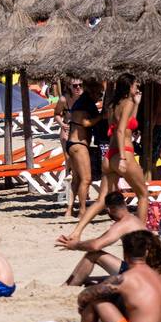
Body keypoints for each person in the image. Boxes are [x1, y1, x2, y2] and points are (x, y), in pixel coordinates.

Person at [67, 74, 148, 238]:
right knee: (143, 194)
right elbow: (120, 130)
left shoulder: (113, 105)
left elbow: (127, 123)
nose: (137, 88)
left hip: (109, 156)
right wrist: (124, 159)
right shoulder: (128, 102)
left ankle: (77, 231)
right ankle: (140, 234)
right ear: (129, 86)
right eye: (135, 85)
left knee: (101, 200)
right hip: (123, 152)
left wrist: (137, 104)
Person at [67, 230, 161, 322]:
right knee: (121, 302)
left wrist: (83, 305)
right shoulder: (156, 275)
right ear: (146, 252)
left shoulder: (125, 279)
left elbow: (85, 296)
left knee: (97, 300)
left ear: (125, 253)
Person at [56, 191, 145, 285]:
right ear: (125, 204)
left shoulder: (121, 225)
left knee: (93, 255)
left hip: (139, 275)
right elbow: (100, 240)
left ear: (109, 210)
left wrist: (75, 245)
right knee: (86, 280)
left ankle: (66, 287)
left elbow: (95, 246)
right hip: (147, 272)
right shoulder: (134, 220)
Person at [61, 79, 104, 219]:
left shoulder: (81, 102)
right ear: (92, 91)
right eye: (99, 93)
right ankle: (82, 210)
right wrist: (103, 116)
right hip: (79, 145)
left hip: (72, 144)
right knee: (86, 179)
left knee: (76, 180)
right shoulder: (85, 103)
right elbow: (85, 122)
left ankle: (69, 210)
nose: (100, 96)